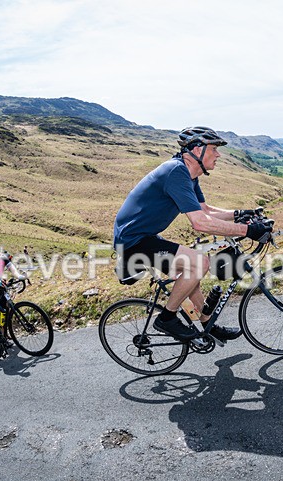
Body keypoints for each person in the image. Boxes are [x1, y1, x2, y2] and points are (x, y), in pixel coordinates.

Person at [113, 126, 273, 341]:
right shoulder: (175, 172)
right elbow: (199, 222)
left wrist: (241, 214)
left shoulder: (189, 175)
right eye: (214, 149)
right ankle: (167, 319)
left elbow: (206, 210)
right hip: (132, 241)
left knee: (189, 271)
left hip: (145, 237)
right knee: (199, 263)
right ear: (198, 150)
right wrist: (248, 230)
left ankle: (208, 324)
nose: (218, 154)